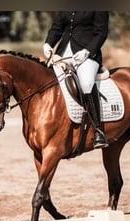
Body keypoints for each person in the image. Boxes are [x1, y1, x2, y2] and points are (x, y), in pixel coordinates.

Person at [43, 11, 109, 149]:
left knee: (86, 83)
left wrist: (87, 51)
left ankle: (98, 130)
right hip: (63, 54)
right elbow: (57, 27)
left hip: (86, 55)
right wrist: (48, 43)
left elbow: (101, 33)